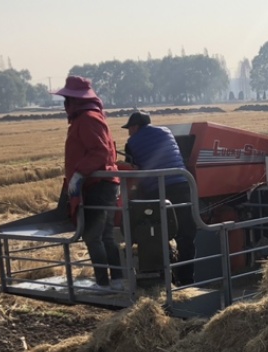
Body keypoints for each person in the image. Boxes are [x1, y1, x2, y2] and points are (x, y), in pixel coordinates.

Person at [52, 75, 123, 293]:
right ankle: (118, 280)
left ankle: (103, 282)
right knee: (106, 236)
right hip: (103, 184)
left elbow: (99, 152)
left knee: (93, 236)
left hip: (98, 186)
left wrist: (79, 174)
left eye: (67, 100)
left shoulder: (87, 119)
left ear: (75, 101)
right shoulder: (90, 117)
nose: (65, 105)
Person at [122, 110, 197, 286]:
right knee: (186, 235)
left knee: (156, 235)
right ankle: (187, 281)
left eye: (129, 128)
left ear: (135, 127)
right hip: (183, 184)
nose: (128, 132)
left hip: (158, 191)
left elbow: (134, 170)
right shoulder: (167, 132)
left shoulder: (131, 143)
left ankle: (166, 282)